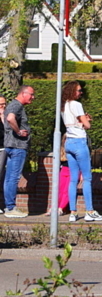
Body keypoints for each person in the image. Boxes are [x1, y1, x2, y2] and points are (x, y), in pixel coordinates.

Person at [61, 81, 102, 222]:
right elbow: (87, 125)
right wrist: (86, 120)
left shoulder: (63, 105)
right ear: (73, 91)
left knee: (73, 179)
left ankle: (73, 212)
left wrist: (81, 122)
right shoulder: (76, 104)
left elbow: (74, 125)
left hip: (69, 142)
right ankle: (89, 211)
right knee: (87, 178)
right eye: (79, 90)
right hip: (79, 142)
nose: (81, 92)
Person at [4, 85, 34, 217]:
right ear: (23, 93)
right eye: (31, 94)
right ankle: (11, 208)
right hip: (17, 146)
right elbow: (10, 118)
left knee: (9, 178)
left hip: (11, 146)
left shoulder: (11, 104)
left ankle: (9, 207)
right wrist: (19, 131)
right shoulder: (17, 106)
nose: (33, 97)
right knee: (13, 178)